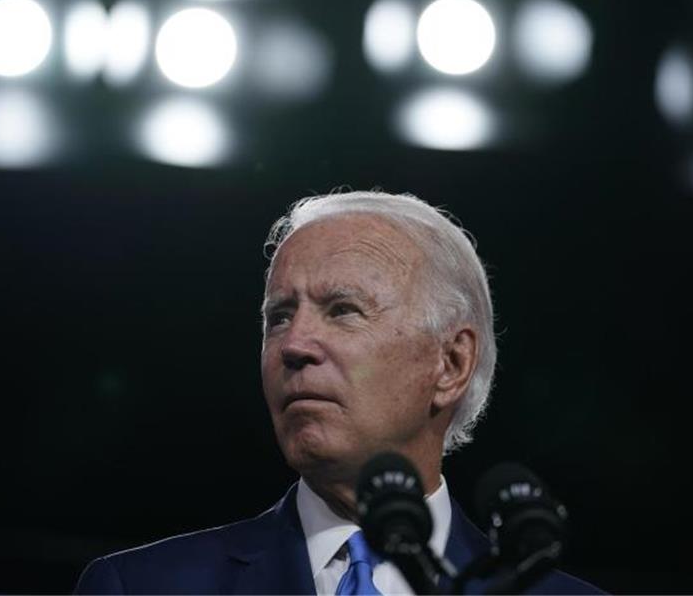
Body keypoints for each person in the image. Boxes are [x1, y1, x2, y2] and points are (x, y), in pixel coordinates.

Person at [75, 191, 601, 595]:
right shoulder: (143, 587)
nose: (294, 345)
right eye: (278, 317)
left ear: (451, 363)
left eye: (342, 310)